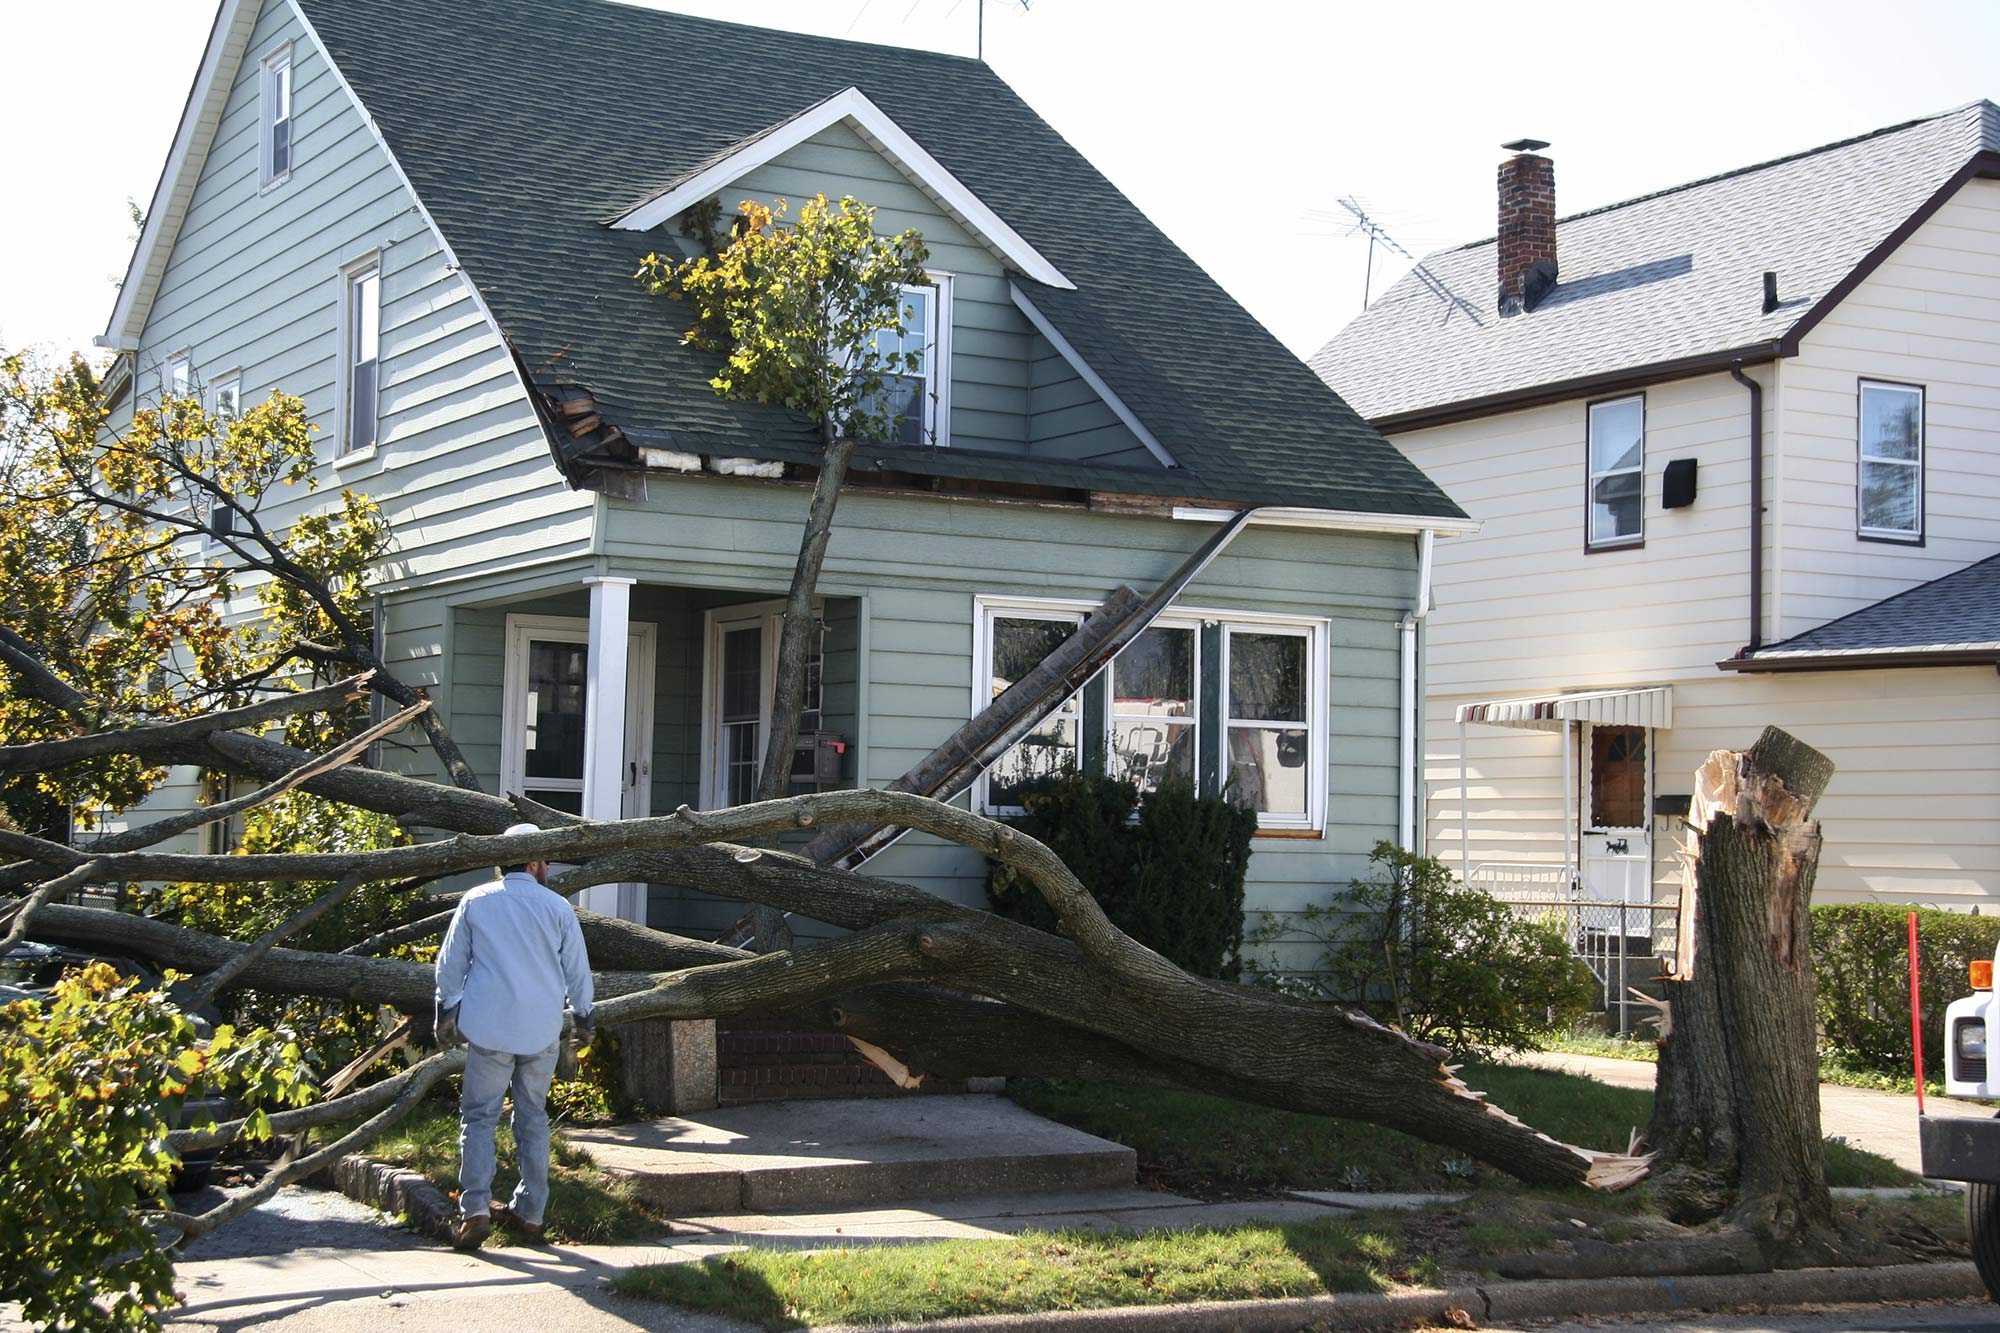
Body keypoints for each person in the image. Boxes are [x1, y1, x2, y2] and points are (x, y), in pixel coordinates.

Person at [433, 822, 594, 1250]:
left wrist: (445, 1011)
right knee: (532, 1117)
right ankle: (532, 1212)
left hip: (488, 1026)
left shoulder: (476, 901)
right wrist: (583, 1018)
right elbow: (577, 969)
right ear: (535, 861)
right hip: (540, 1029)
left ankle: (476, 1209)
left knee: (479, 1117)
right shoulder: (557, 907)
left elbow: (451, 964)